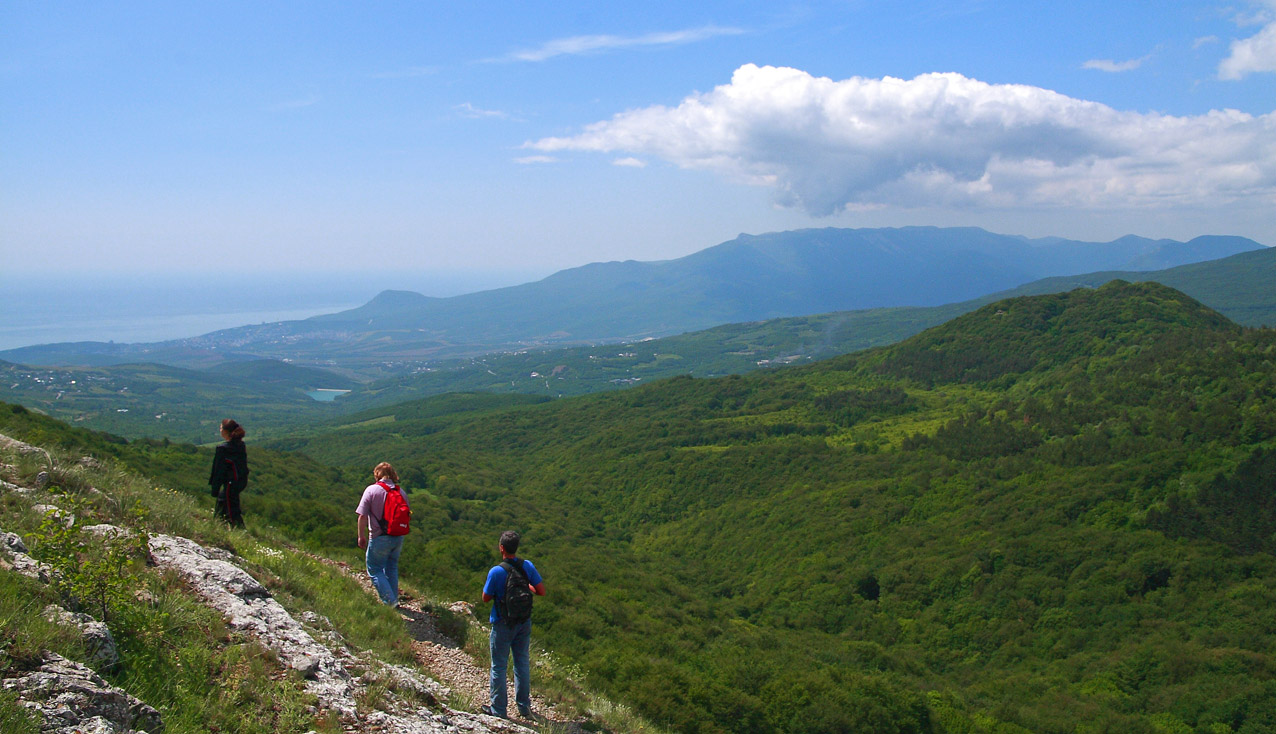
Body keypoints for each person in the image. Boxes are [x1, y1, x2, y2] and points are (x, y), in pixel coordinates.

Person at [481, 530, 546, 720]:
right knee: (522, 663)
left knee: (499, 666)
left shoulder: (496, 571)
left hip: (502, 622)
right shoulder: (527, 566)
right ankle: (524, 707)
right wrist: (527, 587)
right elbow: (541, 591)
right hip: (523, 622)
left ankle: (499, 710)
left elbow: (485, 598)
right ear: (516, 547)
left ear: (501, 547)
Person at [356, 462, 409, 607]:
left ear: (377, 475)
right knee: (391, 567)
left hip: (379, 537)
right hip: (398, 536)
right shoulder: (401, 492)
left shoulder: (372, 490)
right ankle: (394, 599)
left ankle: (390, 601)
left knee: (374, 569)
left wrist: (361, 536)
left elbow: (362, 515)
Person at [209, 419, 249, 527]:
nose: (220, 430)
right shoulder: (240, 445)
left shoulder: (223, 449)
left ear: (226, 432)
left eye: (221, 428)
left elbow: (218, 470)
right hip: (240, 480)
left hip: (231, 482)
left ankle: (238, 529)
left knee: (231, 508)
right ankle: (219, 524)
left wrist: (215, 488)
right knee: (224, 503)